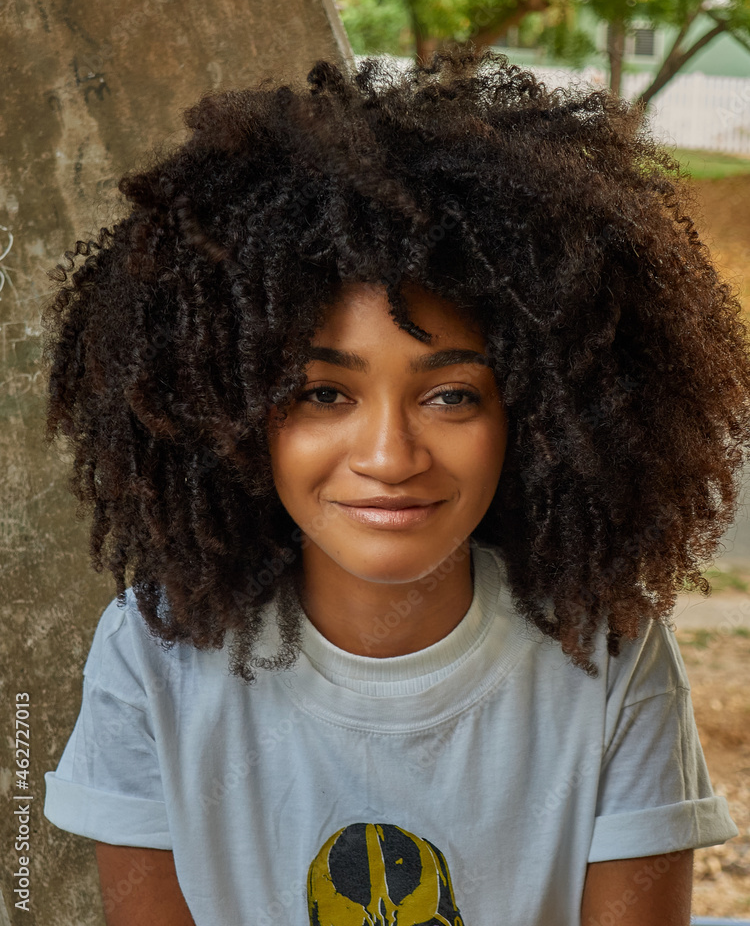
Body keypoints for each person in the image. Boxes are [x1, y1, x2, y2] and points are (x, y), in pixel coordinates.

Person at [43, 46, 747, 926]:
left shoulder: (606, 656)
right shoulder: (154, 656)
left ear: (537, 416)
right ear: (227, 408)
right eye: (323, 393)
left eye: (451, 395)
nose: (389, 454)